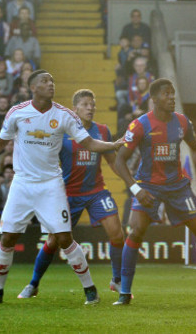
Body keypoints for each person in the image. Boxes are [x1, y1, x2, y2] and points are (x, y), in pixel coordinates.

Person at [0, 69, 123, 305]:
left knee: (63, 238)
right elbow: (0, 142)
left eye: (52, 80)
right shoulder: (17, 113)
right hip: (22, 184)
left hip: (51, 185)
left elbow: (88, 142)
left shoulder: (64, 115)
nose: (50, 84)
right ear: (33, 87)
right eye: (44, 81)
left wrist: (113, 143)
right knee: (8, 237)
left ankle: (90, 289)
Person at [113, 79, 196, 305]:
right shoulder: (140, 125)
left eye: (173, 93)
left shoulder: (182, 122)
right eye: (167, 94)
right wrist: (136, 189)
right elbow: (119, 161)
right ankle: (124, 293)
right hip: (148, 186)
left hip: (178, 187)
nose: (172, 97)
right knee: (135, 231)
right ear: (154, 99)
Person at [18, 89, 125, 299]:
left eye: (92, 104)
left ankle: (117, 280)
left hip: (96, 192)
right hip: (67, 194)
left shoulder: (103, 131)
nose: (90, 108)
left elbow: (113, 162)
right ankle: (33, 284)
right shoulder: (61, 133)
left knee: (117, 233)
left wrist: (133, 184)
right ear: (74, 109)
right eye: (85, 104)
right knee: (52, 241)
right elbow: (46, 161)